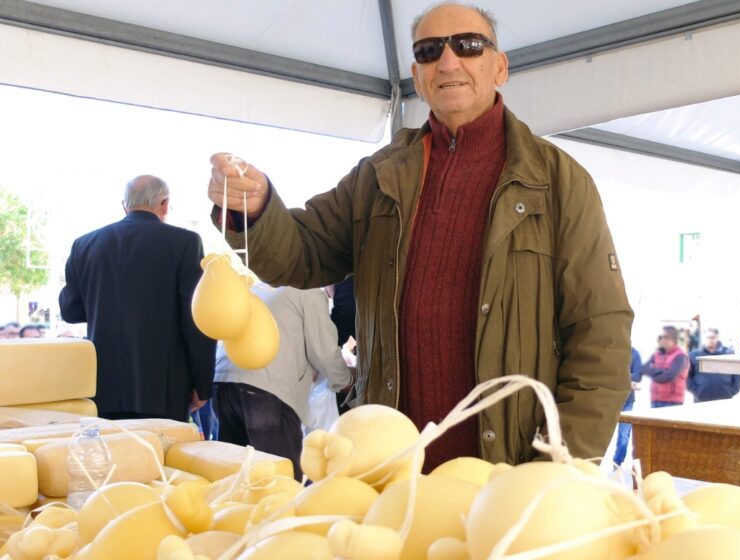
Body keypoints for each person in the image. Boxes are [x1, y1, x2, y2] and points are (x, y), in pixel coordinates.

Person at [206, 3, 633, 467]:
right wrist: (256, 208)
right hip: (391, 468)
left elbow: (601, 335)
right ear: (417, 73)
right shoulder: (379, 175)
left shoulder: (559, 182)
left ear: (500, 66)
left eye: (468, 45)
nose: (448, 62)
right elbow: (300, 253)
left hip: (509, 473)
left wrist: (556, 466)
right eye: (430, 51)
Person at [59, 175, 216, 421]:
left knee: (110, 456)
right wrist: (202, 383)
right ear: (164, 204)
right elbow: (195, 318)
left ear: (125, 205)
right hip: (163, 388)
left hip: (102, 387)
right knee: (159, 458)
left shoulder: (84, 245)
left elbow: (70, 311)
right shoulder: (185, 242)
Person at [213, 283, 353, 481]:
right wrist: (346, 380)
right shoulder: (308, 291)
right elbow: (324, 351)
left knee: (233, 480)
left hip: (223, 383)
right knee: (282, 481)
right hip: (265, 392)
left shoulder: (259, 286)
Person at [640, 326, 690, 408]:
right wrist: (660, 371)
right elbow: (643, 368)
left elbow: (668, 377)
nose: (659, 340)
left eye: (661, 337)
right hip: (655, 399)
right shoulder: (657, 354)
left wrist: (652, 374)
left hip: (672, 402)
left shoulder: (680, 356)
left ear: (671, 339)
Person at [687, 327, 740, 402]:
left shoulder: (728, 354)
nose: (710, 340)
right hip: (701, 399)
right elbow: (686, 375)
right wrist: (696, 391)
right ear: (704, 338)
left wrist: (732, 391)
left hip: (724, 398)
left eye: (713, 337)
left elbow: (737, 373)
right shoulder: (693, 355)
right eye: (708, 337)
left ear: (717, 338)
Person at [613, 347, 642, 467]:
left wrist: (620, 377)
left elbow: (638, 375)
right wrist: (627, 378)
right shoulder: (614, 351)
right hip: (612, 399)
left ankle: (617, 462)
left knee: (623, 434)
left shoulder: (635, 354)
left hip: (627, 400)